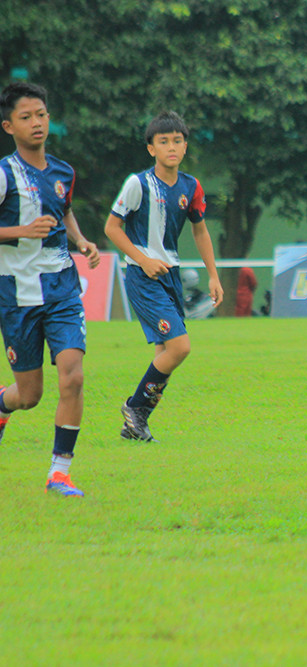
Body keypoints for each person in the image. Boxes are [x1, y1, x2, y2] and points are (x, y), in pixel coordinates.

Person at [0, 82, 101, 496]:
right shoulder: (4, 175)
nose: (37, 122)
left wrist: (80, 240)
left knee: (72, 377)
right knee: (29, 395)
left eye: (41, 114)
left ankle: (60, 472)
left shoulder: (63, 171)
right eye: (26, 117)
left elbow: (65, 210)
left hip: (61, 287)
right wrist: (21, 231)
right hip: (17, 294)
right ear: (9, 126)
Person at [104, 111, 223, 441]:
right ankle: (135, 407)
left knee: (164, 354)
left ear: (185, 147)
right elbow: (111, 228)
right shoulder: (137, 183)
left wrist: (213, 276)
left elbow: (200, 232)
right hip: (143, 277)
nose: (171, 146)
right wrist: (142, 260)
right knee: (180, 347)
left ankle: (135, 426)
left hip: (171, 274)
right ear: (151, 148)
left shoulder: (191, 186)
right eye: (163, 141)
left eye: (177, 141)